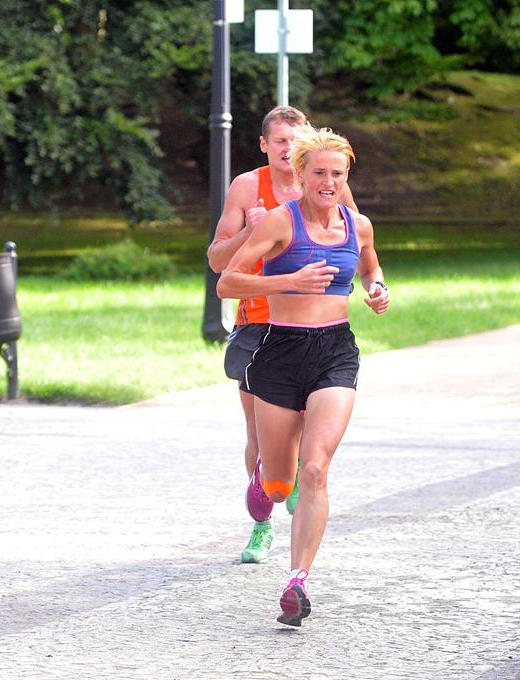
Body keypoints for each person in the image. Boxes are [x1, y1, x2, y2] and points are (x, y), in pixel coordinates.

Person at [216, 126, 389, 626]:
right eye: (319, 173)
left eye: (338, 174)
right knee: (279, 484)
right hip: (280, 352)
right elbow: (227, 281)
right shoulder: (279, 222)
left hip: (335, 352)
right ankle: (264, 481)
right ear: (303, 174)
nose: (328, 183)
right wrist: (288, 281)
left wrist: (377, 289)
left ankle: (297, 581)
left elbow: (371, 269)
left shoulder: (359, 226)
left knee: (314, 469)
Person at [207, 107, 356, 565]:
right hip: (258, 324)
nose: (289, 149)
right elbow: (218, 261)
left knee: (313, 430)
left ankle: (298, 479)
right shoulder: (248, 187)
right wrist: (251, 230)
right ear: (265, 145)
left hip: (315, 331)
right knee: (259, 435)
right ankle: (263, 520)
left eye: (296, 141)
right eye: (280, 142)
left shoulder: (327, 181)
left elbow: (355, 243)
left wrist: (371, 285)